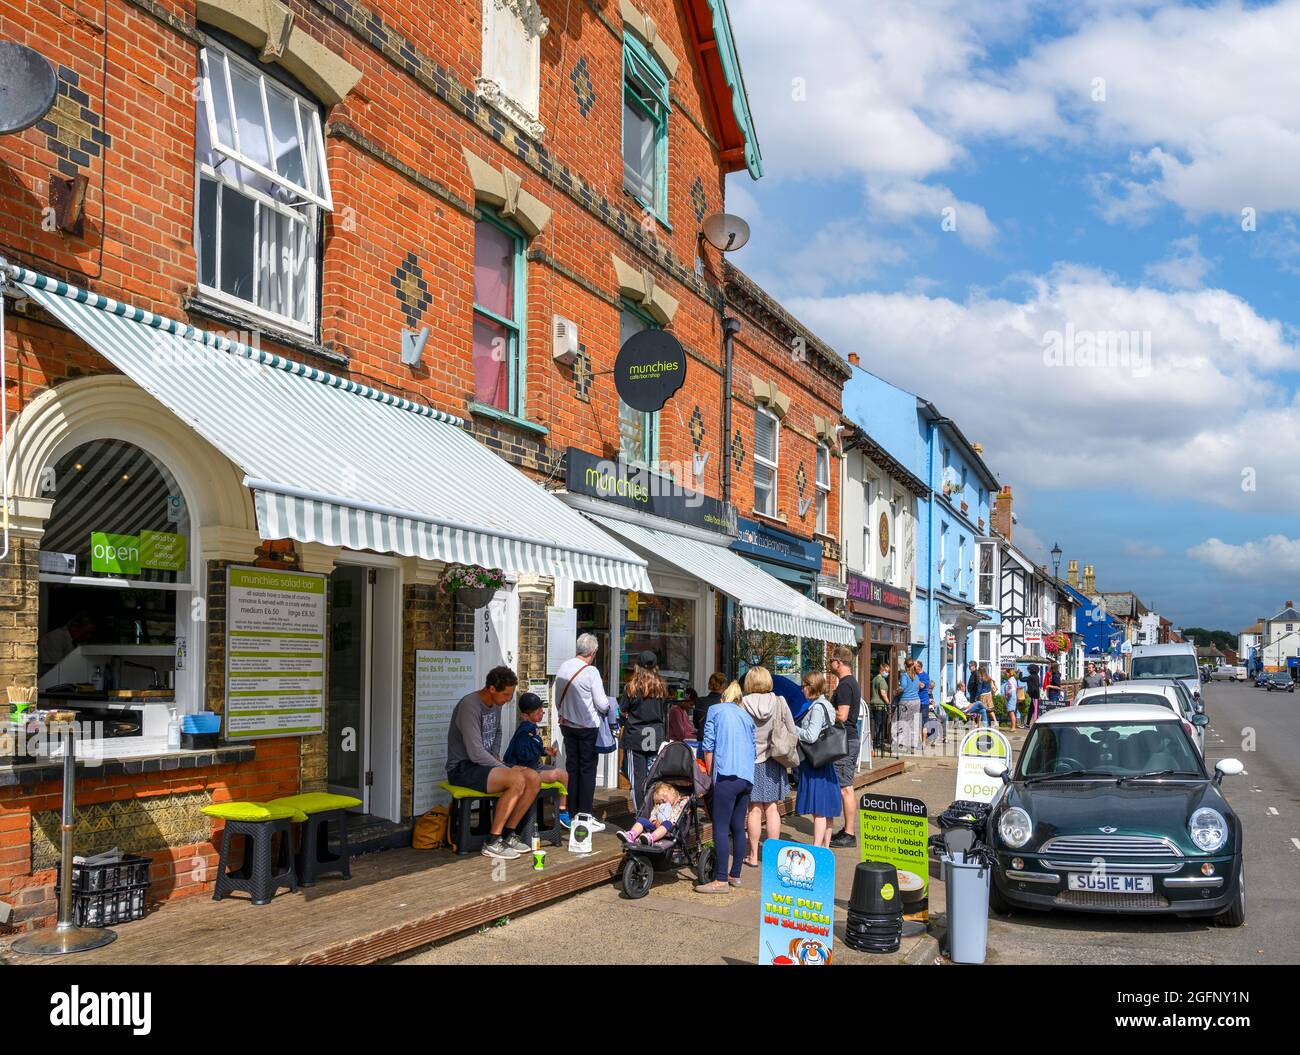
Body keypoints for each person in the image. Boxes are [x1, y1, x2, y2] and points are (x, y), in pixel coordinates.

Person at [445, 666, 538, 860]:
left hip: (485, 764)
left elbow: (497, 731)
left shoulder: (496, 704)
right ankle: (493, 841)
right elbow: (475, 753)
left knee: (533, 778)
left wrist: (497, 757)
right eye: (506, 694)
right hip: (462, 767)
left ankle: (508, 834)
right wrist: (506, 767)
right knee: (517, 780)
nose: (509, 699)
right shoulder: (469, 706)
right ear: (492, 689)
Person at [696, 679, 756, 893]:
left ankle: (720, 880)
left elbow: (708, 745)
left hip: (726, 774)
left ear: (724, 697)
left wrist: (711, 775)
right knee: (738, 826)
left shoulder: (715, 709)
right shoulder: (747, 717)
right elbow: (753, 748)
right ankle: (735, 875)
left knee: (720, 828)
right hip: (746, 776)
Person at [741, 665, 798, 868]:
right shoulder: (779, 701)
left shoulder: (743, 703)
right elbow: (793, 730)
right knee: (773, 809)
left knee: (754, 810)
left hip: (750, 762)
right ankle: (774, 857)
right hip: (775, 760)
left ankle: (753, 855)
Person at [555, 633, 614, 825]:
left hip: (567, 725)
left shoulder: (564, 667)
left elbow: (557, 698)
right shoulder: (591, 672)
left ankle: (570, 811)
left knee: (572, 767)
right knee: (587, 770)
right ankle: (585, 814)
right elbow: (602, 704)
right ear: (594, 652)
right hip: (587, 728)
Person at [794, 672, 842, 848]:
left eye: (804, 686)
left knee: (818, 810)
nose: (802, 689)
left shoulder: (816, 708)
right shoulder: (826, 704)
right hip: (826, 762)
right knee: (827, 809)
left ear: (811, 687)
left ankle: (815, 850)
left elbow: (811, 735)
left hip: (816, 764)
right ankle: (825, 848)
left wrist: (794, 729)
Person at [503, 691, 569, 812]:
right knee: (560, 775)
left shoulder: (531, 727)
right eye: (537, 712)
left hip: (533, 767)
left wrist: (544, 751)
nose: (541, 714)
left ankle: (562, 809)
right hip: (525, 770)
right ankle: (562, 811)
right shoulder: (525, 730)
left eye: (541, 710)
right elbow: (522, 754)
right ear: (525, 716)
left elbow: (531, 749)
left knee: (564, 774)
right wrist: (539, 747)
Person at [621, 652, 669, 810]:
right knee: (653, 778)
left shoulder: (632, 687)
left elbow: (623, 710)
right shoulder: (661, 686)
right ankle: (654, 813)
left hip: (635, 736)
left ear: (637, 667)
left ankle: (641, 817)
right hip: (655, 735)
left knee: (637, 779)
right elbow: (663, 710)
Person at [828, 647, 863, 848]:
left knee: (845, 788)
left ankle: (849, 833)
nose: (829, 664)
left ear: (839, 662)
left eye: (831, 660)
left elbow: (842, 715)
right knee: (845, 786)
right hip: (849, 739)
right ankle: (847, 830)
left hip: (845, 740)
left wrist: (823, 710)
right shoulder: (851, 683)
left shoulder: (844, 686)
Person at [617, 782, 684, 846]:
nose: (664, 800)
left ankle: (651, 838)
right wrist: (654, 821)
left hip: (670, 828)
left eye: (664, 795)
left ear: (672, 791)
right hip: (656, 826)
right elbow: (653, 814)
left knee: (667, 823)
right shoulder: (659, 806)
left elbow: (681, 813)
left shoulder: (681, 802)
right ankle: (631, 835)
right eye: (661, 801)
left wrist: (678, 801)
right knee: (641, 820)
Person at [895, 658, 922, 751]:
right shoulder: (916, 676)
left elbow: (903, 687)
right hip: (916, 701)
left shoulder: (904, 676)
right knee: (914, 723)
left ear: (905, 666)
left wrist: (896, 690)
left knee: (902, 722)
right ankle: (913, 744)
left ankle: (901, 743)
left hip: (906, 701)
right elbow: (917, 688)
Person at [869, 660, 891, 754]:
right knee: (880, 725)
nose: (888, 673)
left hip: (873, 704)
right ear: (882, 670)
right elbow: (883, 693)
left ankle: (874, 742)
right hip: (880, 705)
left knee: (875, 724)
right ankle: (878, 743)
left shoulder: (874, 679)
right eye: (887, 671)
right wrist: (888, 703)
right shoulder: (881, 680)